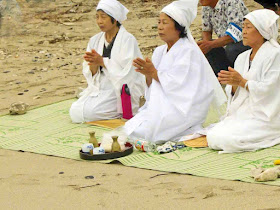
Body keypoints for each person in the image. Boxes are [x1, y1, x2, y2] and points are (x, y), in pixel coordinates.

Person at [123, 0, 226, 144]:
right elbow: (153, 87)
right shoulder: (159, 52)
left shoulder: (189, 51)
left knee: (146, 132)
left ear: (178, 27)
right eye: (159, 22)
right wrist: (148, 74)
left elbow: (182, 87)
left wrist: (153, 72)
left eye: (165, 23)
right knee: (130, 128)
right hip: (164, 103)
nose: (160, 27)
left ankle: (184, 127)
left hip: (184, 108)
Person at [207, 9, 280, 153]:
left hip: (266, 116)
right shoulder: (242, 57)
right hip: (244, 112)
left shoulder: (275, 54)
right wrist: (233, 84)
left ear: (262, 31)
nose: (244, 31)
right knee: (213, 136)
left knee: (229, 140)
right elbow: (235, 93)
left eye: (248, 27)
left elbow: (272, 90)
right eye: (243, 26)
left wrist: (242, 82)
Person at [69, 0, 145, 123]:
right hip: (101, 85)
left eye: (103, 17)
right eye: (97, 17)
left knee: (90, 112)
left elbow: (129, 73)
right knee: (75, 110)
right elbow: (91, 72)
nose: (99, 21)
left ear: (114, 20)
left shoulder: (128, 40)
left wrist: (102, 61)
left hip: (121, 89)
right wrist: (93, 65)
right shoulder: (95, 40)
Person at [198, 0, 250, 76]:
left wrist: (210, 45)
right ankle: (222, 74)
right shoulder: (206, 7)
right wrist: (205, 46)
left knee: (231, 49)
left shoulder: (232, 2)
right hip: (226, 45)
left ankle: (241, 72)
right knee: (204, 47)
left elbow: (236, 34)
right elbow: (206, 30)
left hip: (245, 43)